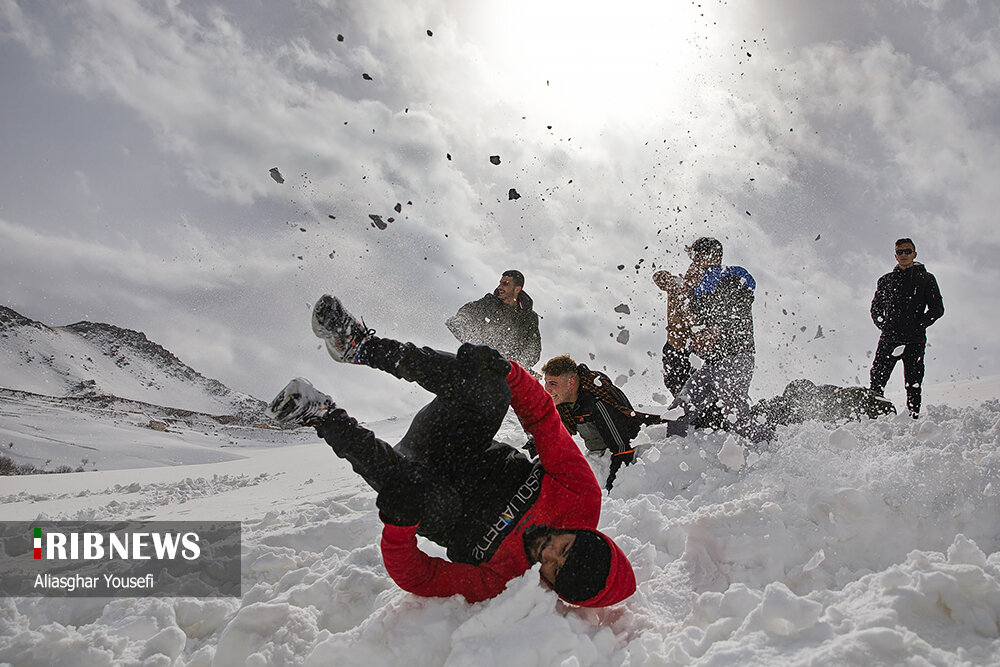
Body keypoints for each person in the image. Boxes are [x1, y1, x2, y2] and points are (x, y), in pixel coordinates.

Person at [267, 295, 635, 607]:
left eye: (553, 568)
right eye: (565, 547)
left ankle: (321, 416)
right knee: (489, 385)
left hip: (415, 480)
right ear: (584, 534)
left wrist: (399, 527)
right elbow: (542, 419)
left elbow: (420, 577)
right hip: (450, 437)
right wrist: (506, 372)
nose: (549, 553)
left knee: (430, 501)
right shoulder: (581, 497)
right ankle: (361, 346)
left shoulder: (503, 583)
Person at [667, 237, 772, 445]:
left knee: (737, 419)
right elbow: (691, 321)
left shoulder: (731, 275)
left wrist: (717, 327)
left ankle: (771, 445)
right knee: (678, 410)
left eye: (698, 257)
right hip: (712, 364)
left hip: (736, 357)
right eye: (693, 257)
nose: (694, 262)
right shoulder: (698, 287)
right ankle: (671, 454)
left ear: (714, 257)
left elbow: (740, 300)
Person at [541, 355, 662, 492]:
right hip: (600, 454)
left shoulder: (596, 401)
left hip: (627, 456)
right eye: (546, 382)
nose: (547, 389)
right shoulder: (563, 402)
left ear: (571, 382)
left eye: (553, 383)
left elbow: (622, 448)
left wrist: (610, 490)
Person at [869, 238, 944, 417]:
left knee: (913, 382)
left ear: (914, 254)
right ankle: (873, 416)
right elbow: (875, 308)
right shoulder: (886, 281)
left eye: (907, 251)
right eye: (900, 252)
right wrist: (884, 325)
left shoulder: (926, 279)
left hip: (914, 340)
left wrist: (919, 325)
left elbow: (937, 309)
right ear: (895, 256)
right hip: (889, 339)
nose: (904, 255)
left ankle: (913, 418)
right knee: (877, 379)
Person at [446, 270, 542, 370]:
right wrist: (461, 324)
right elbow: (468, 312)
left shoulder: (528, 317)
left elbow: (534, 349)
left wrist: (514, 366)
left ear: (517, 289)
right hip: (482, 363)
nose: (499, 287)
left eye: (505, 284)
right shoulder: (490, 303)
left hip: (508, 371)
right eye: (500, 283)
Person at [652, 261, 703, 397]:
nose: (691, 279)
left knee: (691, 384)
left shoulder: (700, 294)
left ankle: (688, 409)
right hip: (673, 345)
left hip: (691, 349)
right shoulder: (676, 286)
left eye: (696, 276)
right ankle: (680, 406)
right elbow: (658, 277)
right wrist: (668, 278)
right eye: (690, 274)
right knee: (672, 382)